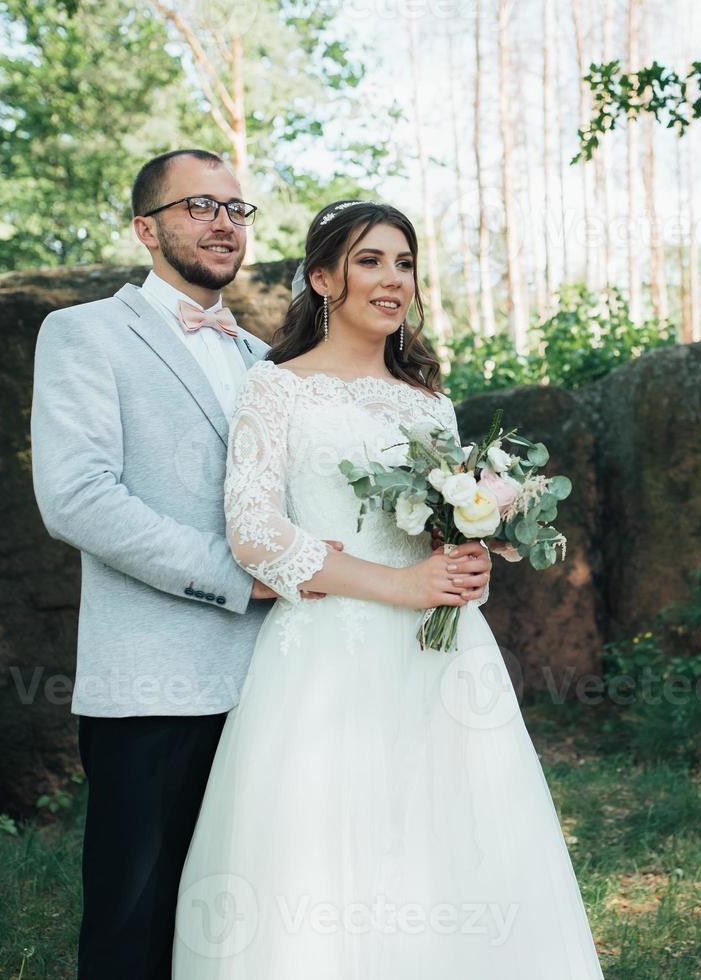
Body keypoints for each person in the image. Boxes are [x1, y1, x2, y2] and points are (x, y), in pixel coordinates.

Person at [29, 150, 494, 979]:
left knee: (258, 919)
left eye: (236, 209)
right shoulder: (84, 333)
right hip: (159, 680)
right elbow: (78, 500)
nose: (222, 223)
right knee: (136, 923)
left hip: (291, 682)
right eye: (198, 206)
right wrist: (243, 574)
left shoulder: (263, 360)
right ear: (147, 228)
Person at [171, 200, 604, 977]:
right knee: (329, 850)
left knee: (455, 838)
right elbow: (255, 535)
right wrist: (399, 586)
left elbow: (444, 527)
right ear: (322, 278)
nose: (392, 279)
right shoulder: (277, 388)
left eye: (404, 263)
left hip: (443, 654)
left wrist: (477, 549)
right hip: (326, 654)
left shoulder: (429, 398)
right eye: (370, 261)